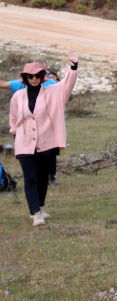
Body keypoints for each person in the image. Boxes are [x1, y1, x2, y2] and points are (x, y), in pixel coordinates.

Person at [9, 53, 78, 226]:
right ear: (25, 78)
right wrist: (14, 132)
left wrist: (73, 68)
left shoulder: (52, 91)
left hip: (47, 142)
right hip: (24, 144)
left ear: (42, 77)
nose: (34, 79)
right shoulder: (18, 96)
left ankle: (40, 206)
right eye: (30, 76)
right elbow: (13, 117)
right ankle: (35, 213)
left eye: (37, 76)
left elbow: (67, 85)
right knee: (30, 177)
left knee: (43, 177)